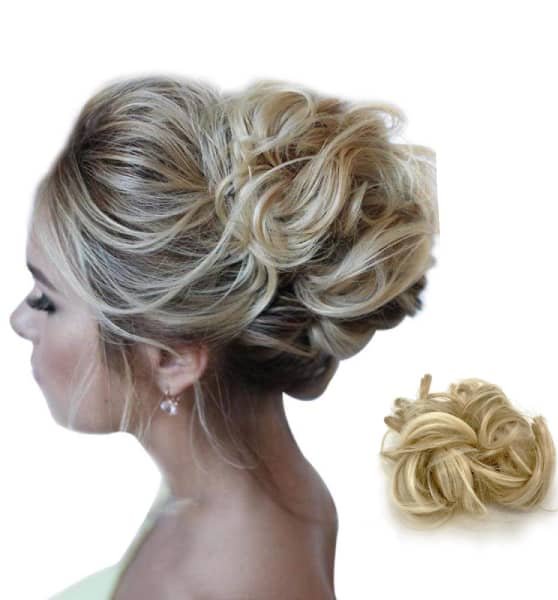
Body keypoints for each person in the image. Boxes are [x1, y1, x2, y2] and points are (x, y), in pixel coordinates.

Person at [9, 75, 438, 599]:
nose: (19, 321)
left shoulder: (244, 581)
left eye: (46, 300)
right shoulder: (221, 483)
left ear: (171, 360)